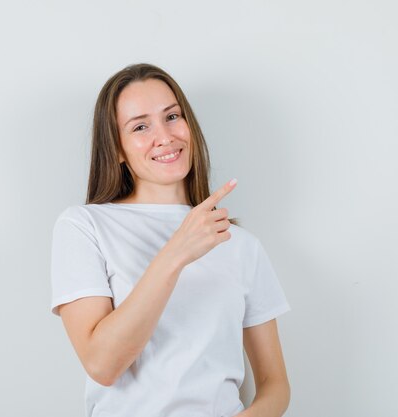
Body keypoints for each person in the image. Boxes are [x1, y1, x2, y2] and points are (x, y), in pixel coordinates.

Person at [50, 63, 291, 417]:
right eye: (141, 126)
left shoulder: (240, 244)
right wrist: (177, 252)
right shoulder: (84, 225)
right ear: (116, 149)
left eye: (173, 116)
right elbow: (102, 364)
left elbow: (275, 383)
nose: (164, 137)